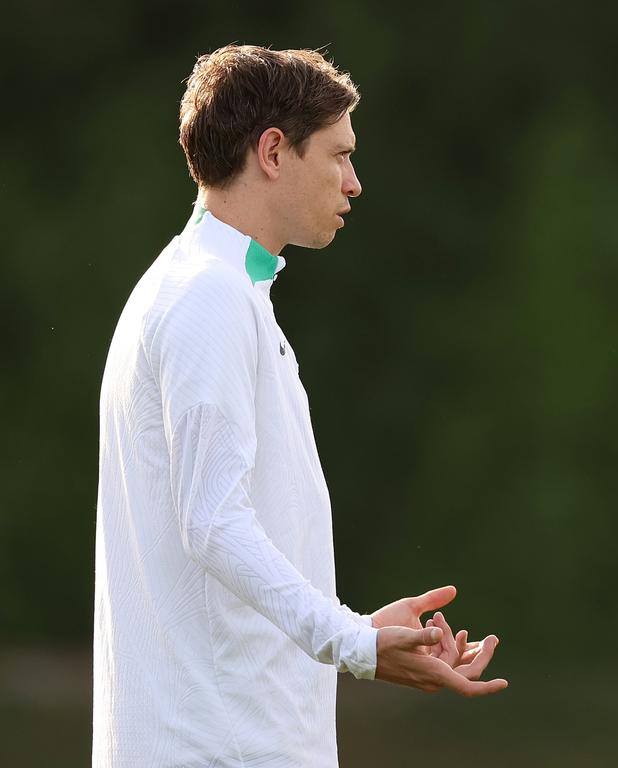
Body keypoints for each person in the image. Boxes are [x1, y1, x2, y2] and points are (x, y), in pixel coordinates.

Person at [93, 45, 507, 768]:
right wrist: (353, 643)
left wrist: (364, 630)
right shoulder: (207, 297)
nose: (354, 182)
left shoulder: (219, 289)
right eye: (339, 155)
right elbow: (214, 521)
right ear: (274, 152)